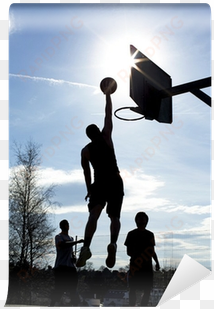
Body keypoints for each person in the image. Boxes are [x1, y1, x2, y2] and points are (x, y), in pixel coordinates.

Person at [76, 85, 124, 269]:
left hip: (99, 183)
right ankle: (112, 243)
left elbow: (86, 173)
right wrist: (107, 95)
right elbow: (108, 114)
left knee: (93, 215)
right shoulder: (106, 137)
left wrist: (89, 190)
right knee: (114, 217)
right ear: (98, 131)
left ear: (88, 135)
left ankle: (86, 246)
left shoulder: (85, 150)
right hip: (114, 180)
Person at [124, 212, 160, 306]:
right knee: (133, 288)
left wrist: (157, 262)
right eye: (139, 219)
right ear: (136, 221)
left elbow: (152, 251)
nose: (141, 221)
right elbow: (128, 252)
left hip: (146, 266)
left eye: (143, 219)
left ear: (146, 221)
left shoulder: (150, 234)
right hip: (135, 265)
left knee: (146, 289)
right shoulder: (131, 234)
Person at [50, 219, 84, 306]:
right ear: (63, 226)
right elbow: (63, 245)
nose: (66, 226)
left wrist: (74, 258)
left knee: (73, 286)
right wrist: (76, 242)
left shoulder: (71, 238)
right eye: (65, 224)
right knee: (59, 287)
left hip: (70, 266)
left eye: (67, 224)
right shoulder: (59, 237)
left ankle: (74, 304)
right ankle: (52, 304)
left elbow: (71, 252)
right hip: (61, 266)